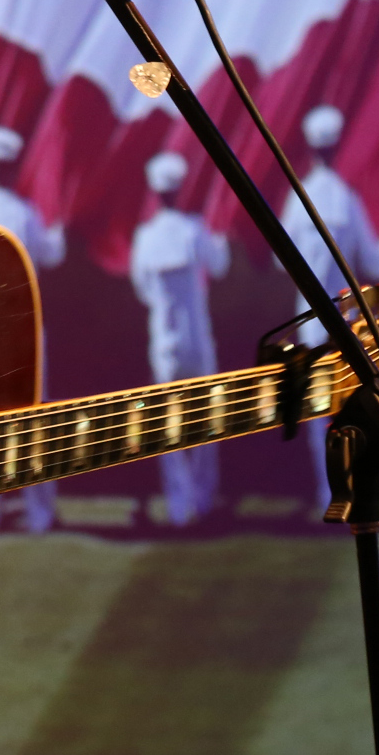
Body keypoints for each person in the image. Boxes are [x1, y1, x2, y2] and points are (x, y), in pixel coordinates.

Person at [283, 103, 379, 513]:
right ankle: (357, 486)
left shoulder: (297, 201)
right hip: (344, 321)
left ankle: (329, 491)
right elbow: (376, 264)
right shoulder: (347, 200)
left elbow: (281, 261)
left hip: (311, 322)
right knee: (352, 408)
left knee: (318, 412)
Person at [0, 124, 63, 534]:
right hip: (25, 329)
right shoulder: (26, 214)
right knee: (33, 418)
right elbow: (51, 256)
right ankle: (40, 513)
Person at [128, 148, 229, 526]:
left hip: (165, 341)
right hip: (197, 339)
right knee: (206, 416)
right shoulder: (193, 229)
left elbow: (141, 288)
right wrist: (216, 236)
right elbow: (219, 267)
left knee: (167, 422)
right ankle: (200, 501)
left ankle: (179, 505)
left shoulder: (146, 236)